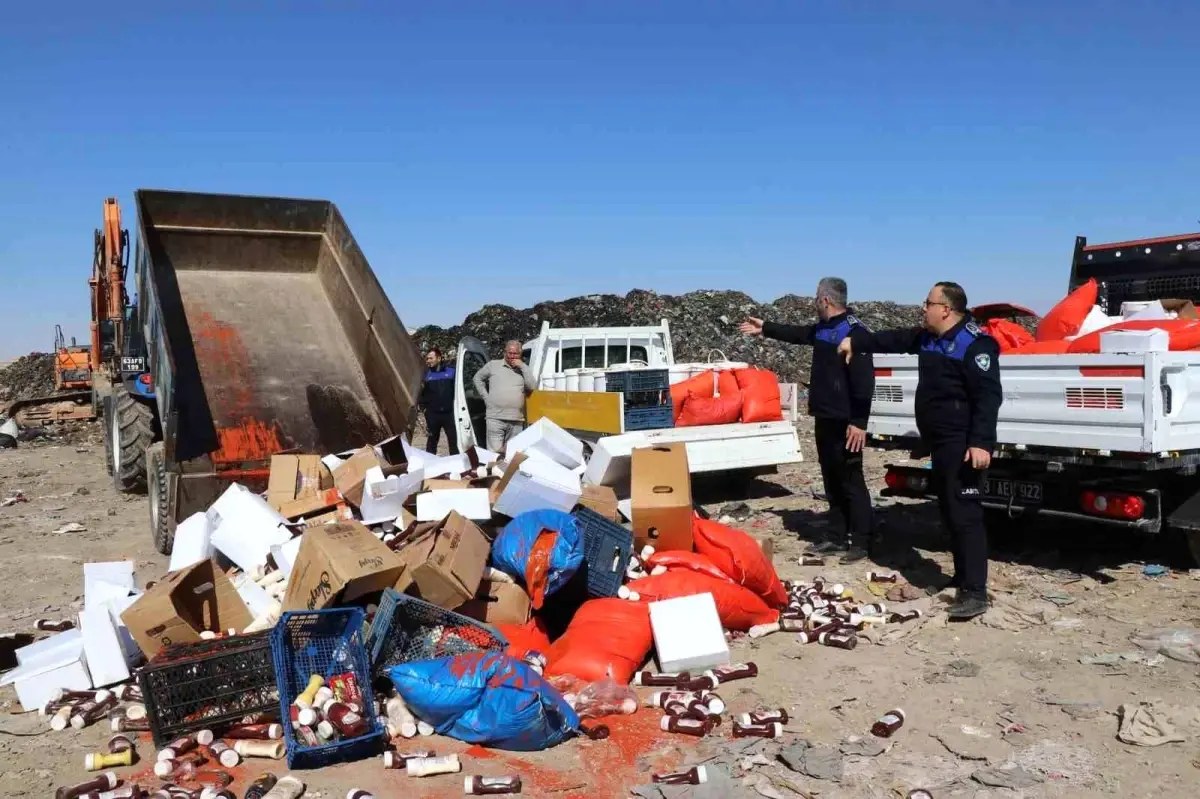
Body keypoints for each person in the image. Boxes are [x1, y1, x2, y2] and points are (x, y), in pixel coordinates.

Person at [838, 281, 1002, 619]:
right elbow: (892, 339)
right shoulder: (928, 338)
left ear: (946, 308)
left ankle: (976, 592)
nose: (922, 308)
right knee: (950, 513)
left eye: (928, 303)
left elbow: (988, 397)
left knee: (966, 516)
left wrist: (981, 442)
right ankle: (961, 578)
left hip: (963, 444)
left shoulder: (975, 344)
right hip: (940, 443)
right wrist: (856, 339)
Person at [740, 277, 876, 562]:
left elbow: (864, 383)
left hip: (846, 421)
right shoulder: (824, 329)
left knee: (851, 480)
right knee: (831, 479)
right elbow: (798, 334)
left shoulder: (855, 333)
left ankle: (861, 541)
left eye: (816, 296)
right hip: (824, 416)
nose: (814, 301)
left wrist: (859, 422)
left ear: (825, 299)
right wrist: (765, 327)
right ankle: (837, 536)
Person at [472, 339, 537, 452]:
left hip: (516, 419)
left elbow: (532, 387)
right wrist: (486, 397)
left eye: (515, 353)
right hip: (495, 418)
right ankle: (493, 470)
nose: (512, 356)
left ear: (520, 354)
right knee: (494, 454)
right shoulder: (493, 365)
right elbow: (477, 378)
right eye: (510, 353)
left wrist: (522, 366)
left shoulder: (524, 369)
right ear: (505, 352)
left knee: (512, 453)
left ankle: (509, 470)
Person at [418, 347, 458, 455]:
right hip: (433, 414)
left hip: (449, 414)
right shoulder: (426, 375)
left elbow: (458, 391)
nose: (428, 361)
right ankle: (430, 466)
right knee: (431, 442)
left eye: (431, 358)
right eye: (427, 359)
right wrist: (425, 410)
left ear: (439, 358)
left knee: (454, 442)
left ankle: (456, 466)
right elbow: (421, 395)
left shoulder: (452, 372)